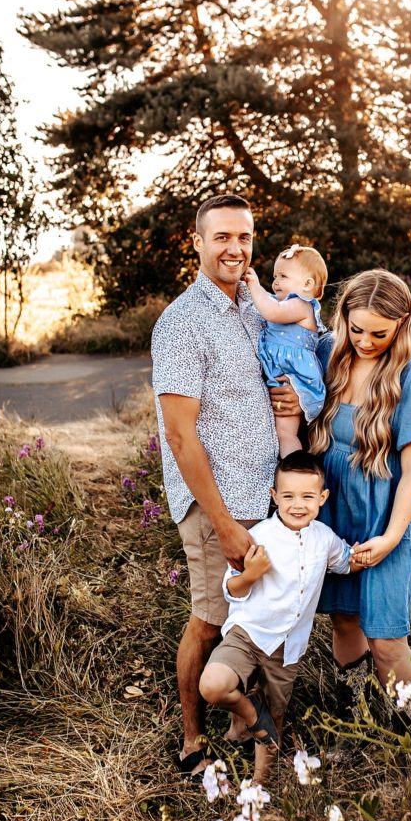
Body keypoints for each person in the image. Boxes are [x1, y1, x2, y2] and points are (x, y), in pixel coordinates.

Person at [151, 193, 300, 778]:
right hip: (219, 504)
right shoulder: (181, 322)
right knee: (210, 619)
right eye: (222, 237)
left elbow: (269, 379)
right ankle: (191, 738)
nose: (235, 248)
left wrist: (289, 399)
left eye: (244, 237)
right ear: (197, 242)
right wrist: (224, 523)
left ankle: (246, 721)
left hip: (264, 491)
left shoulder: (255, 309)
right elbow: (181, 438)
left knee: (254, 617)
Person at [309, 269, 411, 703]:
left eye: (380, 333)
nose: (366, 342)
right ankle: (358, 715)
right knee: (344, 620)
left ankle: (410, 729)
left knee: (386, 638)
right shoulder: (327, 352)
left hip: (386, 518)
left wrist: (389, 537)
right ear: (343, 318)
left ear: (402, 324)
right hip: (333, 513)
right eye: (357, 329)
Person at [199, 451, 360, 783]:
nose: (297, 504)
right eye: (287, 496)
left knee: (276, 722)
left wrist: (381, 547)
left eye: (307, 496)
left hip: (287, 648)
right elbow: (231, 588)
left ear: (322, 498)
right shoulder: (260, 536)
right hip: (248, 634)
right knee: (213, 686)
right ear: (274, 497)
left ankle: (259, 786)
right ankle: (250, 712)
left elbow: (347, 561)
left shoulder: (324, 538)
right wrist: (251, 573)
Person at [244, 244, 328, 457]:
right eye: (274, 276)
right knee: (278, 431)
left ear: (308, 284)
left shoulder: (302, 304)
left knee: (286, 433)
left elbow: (271, 312)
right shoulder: (280, 301)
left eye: (283, 276)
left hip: (294, 376)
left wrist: (254, 285)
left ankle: (294, 467)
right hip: (280, 372)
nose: (275, 282)